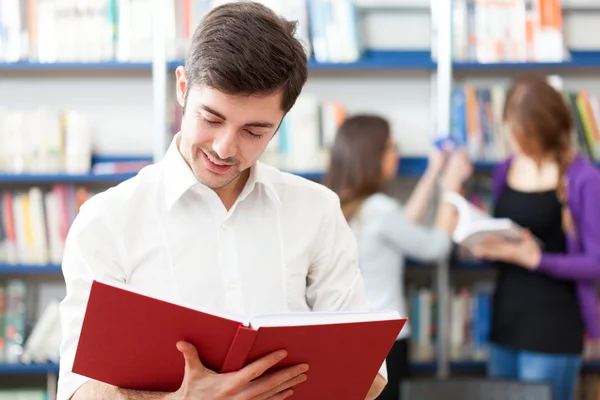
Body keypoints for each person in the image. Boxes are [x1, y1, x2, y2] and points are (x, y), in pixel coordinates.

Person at [57, 3, 387, 400]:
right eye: (211, 119)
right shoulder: (107, 220)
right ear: (182, 88)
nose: (224, 147)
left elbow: (369, 377)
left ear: (281, 122)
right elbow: (77, 392)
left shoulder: (315, 210)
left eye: (254, 131)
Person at [323, 114, 474, 400]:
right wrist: (451, 188)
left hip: (347, 338)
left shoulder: (338, 204)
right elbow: (435, 247)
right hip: (385, 342)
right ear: (372, 157)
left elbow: (403, 225)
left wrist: (433, 173)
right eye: (391, 148)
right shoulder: (380, 210)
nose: (396, 155)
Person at [470, 75, 600, 400]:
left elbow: (596, 263)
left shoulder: (582, 178)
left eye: (521, 132)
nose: (514, 139)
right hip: (505, 321)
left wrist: (537, 259)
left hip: (553, 326)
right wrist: (485, 243)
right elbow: (504, 240)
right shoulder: (505, 169)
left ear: (546, 130)